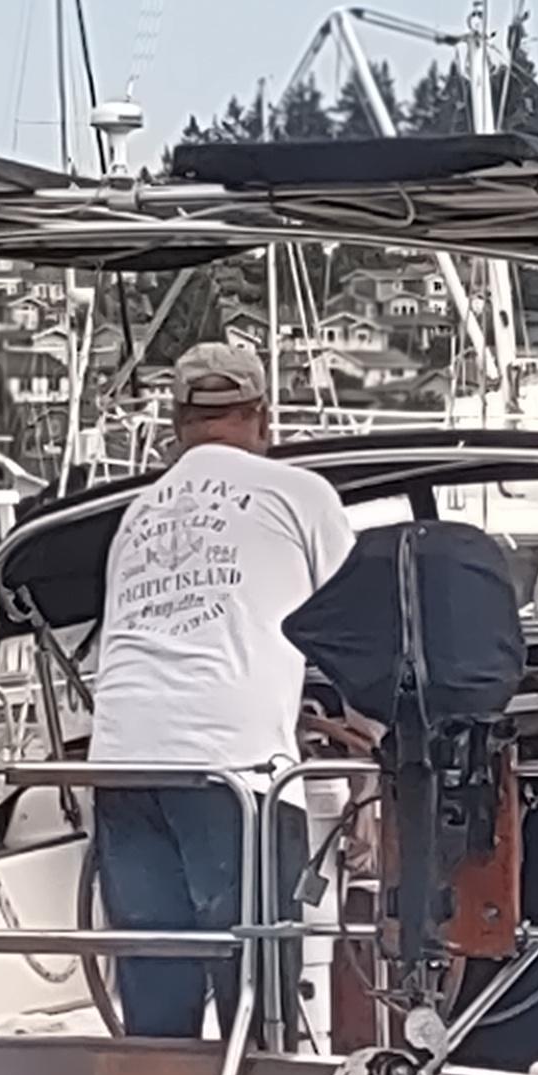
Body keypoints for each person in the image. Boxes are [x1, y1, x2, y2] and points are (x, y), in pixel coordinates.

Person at [86, 340, 355, 1038]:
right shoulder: (300, 493)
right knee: (256, 992)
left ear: (177, 423)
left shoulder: (136, 514)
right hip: (232, 768)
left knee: (157, 996)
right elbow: (361, 629)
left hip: (121, 763)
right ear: (264, 416)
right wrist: (373, 738)